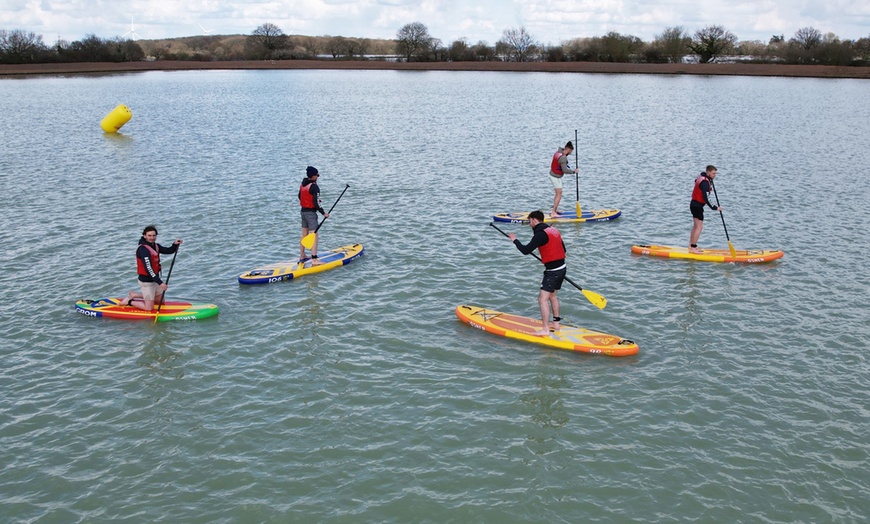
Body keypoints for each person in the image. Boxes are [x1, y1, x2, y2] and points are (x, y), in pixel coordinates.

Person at [507, 210, 567, 336]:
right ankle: (556, 324)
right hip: (562, 267)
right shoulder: (553, 230)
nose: (529, 224)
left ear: (534, 220)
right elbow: (563, 249)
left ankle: (545, 330)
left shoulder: (540, 234)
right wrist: (548, 258)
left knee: (542, 299)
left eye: (530, 221)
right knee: (552, 296)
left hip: (552, 272)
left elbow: (525, 250)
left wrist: (515, 240)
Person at [121, 225, 182, 310]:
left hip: (155, 280)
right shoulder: (143, 250)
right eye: (149, 235)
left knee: (160, 301)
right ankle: (129, 301)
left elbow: (168, 250)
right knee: (149, 308)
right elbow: (148, 269)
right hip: (146, 281)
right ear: (145, 236)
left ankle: (135, 295)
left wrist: (174, 245)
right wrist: (161, 283)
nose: (152, 238)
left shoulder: (155, 246)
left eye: (154, 235)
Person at [299, 165, 329, 264]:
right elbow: (316, 204)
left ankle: (302, 255)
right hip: (311, 213)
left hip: (303, 212)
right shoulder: (314, 186)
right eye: (317, 175)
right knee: (314, 235)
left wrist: (308, 201)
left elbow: (300, 196)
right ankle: (314, 259)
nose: (318, 177)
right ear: (312, 176)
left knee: (304, 234)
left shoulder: (303, 184)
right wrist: (323, 213)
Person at [689, 165, 722, 253]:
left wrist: (710, 180)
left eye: (715, 173)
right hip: (697, 206)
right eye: (713, 173)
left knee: (696, 226)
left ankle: (691, 245)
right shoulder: (704, 183)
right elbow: (706, 198)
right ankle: (693, 247)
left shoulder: (702, 177)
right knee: (699, 227)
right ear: (708, 172)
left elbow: (696, 181)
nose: (715, 175)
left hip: (694, 204)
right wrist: (715, 208)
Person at [548, 140, 578, 218]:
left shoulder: (558, 152)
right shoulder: (563, 157)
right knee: (559, 194)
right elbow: (565, 170)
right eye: (571, 151)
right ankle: (553, 212)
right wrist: (574, 172)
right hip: (555, 177)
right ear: (568, 149)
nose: (571, 153)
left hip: (552, 175)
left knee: (557, 194)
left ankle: (555, 210)